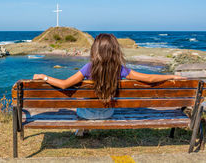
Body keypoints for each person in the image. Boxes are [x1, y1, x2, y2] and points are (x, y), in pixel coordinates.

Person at [33, 33, 185, 129]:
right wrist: (171, 76)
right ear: (115, 51)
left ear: (95, 50)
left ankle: (82, 128)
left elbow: (64, 84)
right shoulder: (120, 69)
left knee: (83, 105)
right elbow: (150, 79)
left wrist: (44, 77)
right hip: (107, 113)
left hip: (86, 114)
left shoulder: (88, 68)